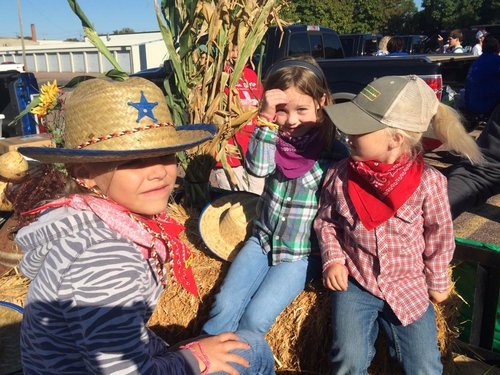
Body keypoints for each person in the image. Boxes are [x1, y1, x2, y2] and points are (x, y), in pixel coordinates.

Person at [10, 77, 275, 374]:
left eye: (165, 155)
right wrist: (194, 359)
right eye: (133, 161)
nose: (159, 172)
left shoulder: (80, 219)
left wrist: (172, 352)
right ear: (84, 174)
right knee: (252, 350)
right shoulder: (108, 257)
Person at [314, 75, 483, 374]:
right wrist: (333, 260)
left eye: (359, 129)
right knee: (347, 359)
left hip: (409, 286)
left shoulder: (428, 183)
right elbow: (327, 222)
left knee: (425, 365)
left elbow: (440, 236)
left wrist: (438, 280)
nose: (347, 135)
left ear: (395, 138)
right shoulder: (339, 176)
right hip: (358, 282)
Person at [201, 56, 348, 336]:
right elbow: (258, 169)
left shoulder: (333, 153)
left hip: (301, 254)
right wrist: (266, 119)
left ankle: (244, 364)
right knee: (224, 305)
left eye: (302, 109)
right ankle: (206, 360)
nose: (291, 120)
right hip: (262, 240)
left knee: (256, 318)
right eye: (282, 111)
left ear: (322, 102)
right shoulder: (273, 139)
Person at [210, 43, 265, 195]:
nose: (235, 55)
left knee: (255, 202)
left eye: (238, 50)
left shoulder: (251, 74)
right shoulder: (217, 77)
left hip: (254, 154)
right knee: (233, 206)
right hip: (229, 157)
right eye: (231, 50)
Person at [463, 35, 500, 116]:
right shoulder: (497, 61)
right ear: (497, 47)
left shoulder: (476, 62)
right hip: (489, 107)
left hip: (471, 105)